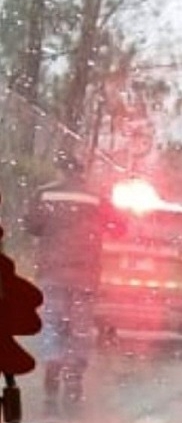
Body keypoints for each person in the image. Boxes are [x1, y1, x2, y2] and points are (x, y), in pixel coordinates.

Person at [24, 151, 124, 406]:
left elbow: (32, 226)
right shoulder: (96, 197)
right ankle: (75, 374)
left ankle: (53, 360)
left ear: (61, 170)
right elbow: (118, 226)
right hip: (86, 274)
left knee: (52, 320)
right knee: (80, 327)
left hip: (53, 270)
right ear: (81, 172)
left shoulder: (44, 193)